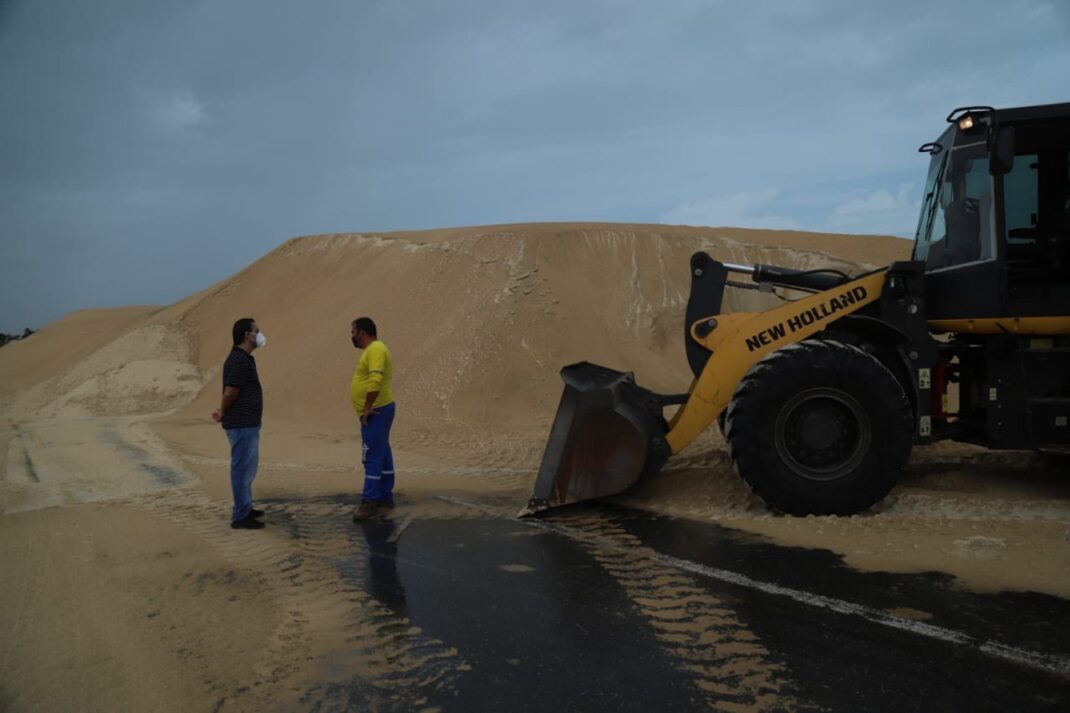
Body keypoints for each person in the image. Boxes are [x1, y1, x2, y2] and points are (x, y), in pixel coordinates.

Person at [212, 318, 266, 530]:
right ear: (247, 335)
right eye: (256, 330)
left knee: (247, 469)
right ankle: (240, 516)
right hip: (241, 424)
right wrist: (222, 410)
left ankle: (246, 507)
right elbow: (231, 391)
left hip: (248, 423)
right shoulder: (239, 360)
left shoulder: (245, 358)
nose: (260, 334)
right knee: (242, 469)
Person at [350, 317, 396, 521]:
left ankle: (369, 502)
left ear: (362, 332)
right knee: (382, 452)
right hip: (381, 409)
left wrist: (367, 407)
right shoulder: (374, 350)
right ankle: (385, 496)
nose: (352, 337)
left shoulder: (375, 349)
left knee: (371, 455)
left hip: (376, 411)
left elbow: (375, 380)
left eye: (353, 332)